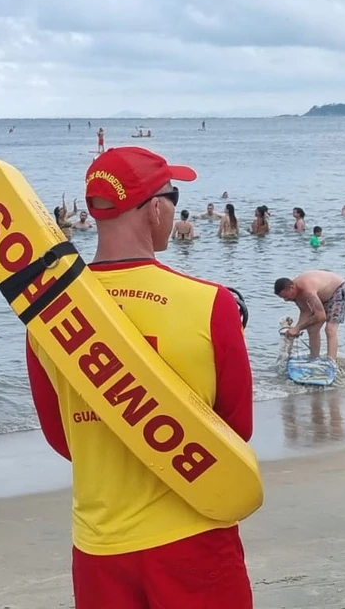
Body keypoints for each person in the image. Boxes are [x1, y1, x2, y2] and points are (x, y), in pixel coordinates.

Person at [25, 146, 254, 608]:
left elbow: (60, 435)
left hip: (100, 545)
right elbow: (237, 431)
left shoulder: (48, 316)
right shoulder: (210, 304)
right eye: (172, 195)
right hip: (194, 535)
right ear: (154, 209)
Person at [273, 270, 345, 361]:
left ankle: (331, 361)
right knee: (312, 329)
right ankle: (313, 359)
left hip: (337, 290)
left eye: (286, 296)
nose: (286, 300)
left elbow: (321, 316)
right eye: (283, 298)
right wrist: (295, 330)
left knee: (330, 329)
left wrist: (297, 328)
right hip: (322, 295)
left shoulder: (307, 291)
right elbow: (305, 312)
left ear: (292, 288)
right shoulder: (297, 293)